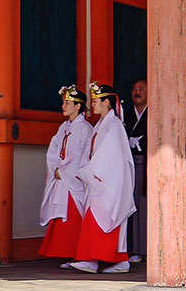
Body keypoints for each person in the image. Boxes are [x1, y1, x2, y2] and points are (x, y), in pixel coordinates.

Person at [68, 82, 135, 274]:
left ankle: (113, 260)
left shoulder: (113, 125)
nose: (94, 104)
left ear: (107, 103)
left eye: (97, 101)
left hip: (108, 180)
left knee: (103, 218)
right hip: (99, 179)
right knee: (94, 219)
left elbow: (109, 155)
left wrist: (91, 171)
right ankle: (93, 260)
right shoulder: (102, 124)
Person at [39, 84, 93, 268]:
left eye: (68, 103)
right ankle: (68, 254)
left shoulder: (85, 128)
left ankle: (78, 254)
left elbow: (83, 156)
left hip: (72, 178)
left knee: (73, 214)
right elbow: (54, 150)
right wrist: (55, 167)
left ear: (78, 106)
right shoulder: (64, 126)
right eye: (64, 102)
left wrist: (65, 171)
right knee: (62, 214)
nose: (64, 106)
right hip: (61, 176)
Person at [123, 78, 147, 264]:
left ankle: (143, 248)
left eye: (141, 89)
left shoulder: (154, 114)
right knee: (128, 204)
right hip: (127, 163)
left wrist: (142, 143)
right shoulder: (125, 115)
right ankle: (130, 248)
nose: (136, 92)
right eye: (134, 89)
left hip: (146, 163)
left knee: (142, 205)